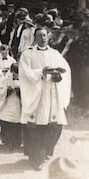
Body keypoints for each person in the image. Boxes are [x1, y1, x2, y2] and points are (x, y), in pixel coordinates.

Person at [19, 27, 71, 171]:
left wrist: (58, 76)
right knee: (37, 128)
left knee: (54, 126)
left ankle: (46, 152)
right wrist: (41, 71)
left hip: (52, 95)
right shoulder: (27, 54)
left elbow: (65, 71)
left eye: (44, 35)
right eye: (39, 36)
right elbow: (24, 73)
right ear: (35, 38)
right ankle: (37, 159)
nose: (43, 38)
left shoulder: (55, 54)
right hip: (37, 96)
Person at [0, 63, 22, 150]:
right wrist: (7, 91)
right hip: (8, 102)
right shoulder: (6, 80)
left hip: (18, 104)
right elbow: (0, 90)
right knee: (7, 121)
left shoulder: (23, 80)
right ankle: (7, 140)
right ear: (11, 72)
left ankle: (17, 141)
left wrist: (20, 92)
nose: (16, 74)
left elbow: (27, 92)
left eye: (18, 73)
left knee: (17, 123)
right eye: (15, 72)